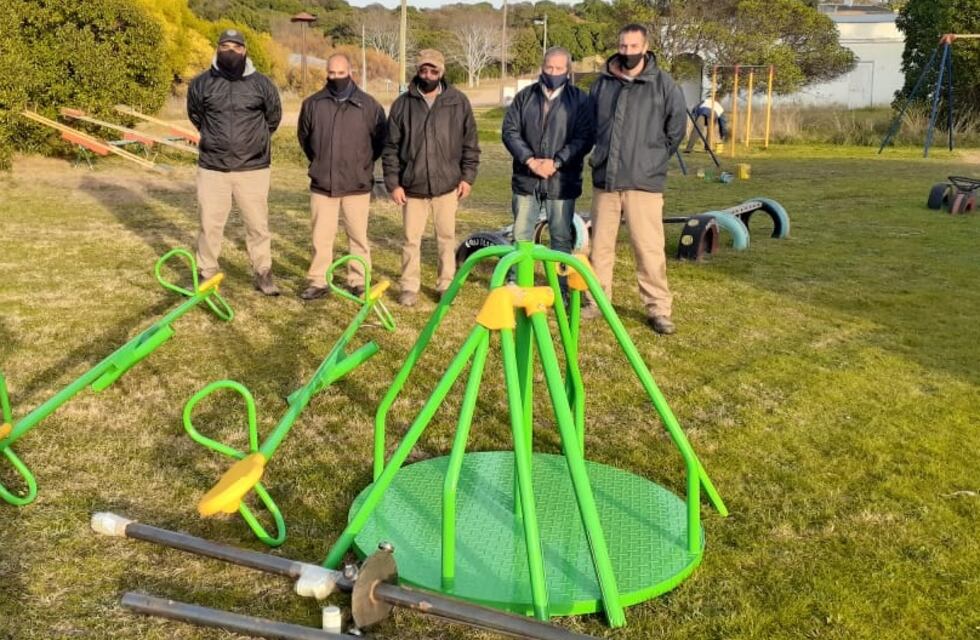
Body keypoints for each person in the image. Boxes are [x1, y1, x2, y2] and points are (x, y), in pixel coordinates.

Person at [585, 23, 687, 334]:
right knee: (599, 248)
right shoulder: (602, 84)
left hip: (644, 182)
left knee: (649, 249)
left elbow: (676, 130)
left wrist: (652, 160)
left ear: (645, 47)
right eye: (623, 46)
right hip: (607, 180)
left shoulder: (664, 85)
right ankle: (596, 301)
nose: (627, 52)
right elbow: (590, 125)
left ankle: (658, 308)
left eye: (633, 46)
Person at [187, 29, 283, 295]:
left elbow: (272, 118)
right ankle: (207, 272)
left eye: (236, 47)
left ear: (245, 51)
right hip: (212, 168)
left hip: (253, 168)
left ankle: (263, 272)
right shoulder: (201, 84)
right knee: (209, 224)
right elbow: (196, 116)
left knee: (257, 226)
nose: (231, 51)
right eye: (225, 46)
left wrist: (254, 142)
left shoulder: (262, 84)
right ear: (217, 48)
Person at [382, 49, 480, 307]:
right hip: (412, 188)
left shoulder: (458, 102)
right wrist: (393, 184)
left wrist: (467, 177)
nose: (428, 75)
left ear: (442, 71)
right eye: (424, 70)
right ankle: (409, 286)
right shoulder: (402, 104)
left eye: (433, 71)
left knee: (446, 237)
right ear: (418, 70)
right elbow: (390, 148)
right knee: (410, 240)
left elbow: (470, 143)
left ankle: (446, 284)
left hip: (447, 187)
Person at [502, 47, 594, 291]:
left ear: (568, 71)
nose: (553, 73)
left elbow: (584, 138)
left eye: (559, 69)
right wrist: (530, 160)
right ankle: (517, 280)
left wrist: (556, 162)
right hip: (527, 177)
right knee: (521, 232)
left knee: (561, 236)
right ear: (542, 68)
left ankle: (560, 286)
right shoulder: (524, 97)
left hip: (562, 180)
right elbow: (510, 132)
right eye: (549, 68)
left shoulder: (580, 100)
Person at [297, 53, 386, 300]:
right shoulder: (312, 104)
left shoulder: (370, 106)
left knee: (358, 237)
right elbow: (305, 139)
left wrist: (361, 164)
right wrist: (321, 161)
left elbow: (379, 142)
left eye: (340, 73)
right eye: (331, 73)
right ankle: (318, 280)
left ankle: (358, 279)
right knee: (321, 238)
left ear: (351, 72)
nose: (335, 78)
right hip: (323, 184)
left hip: (356, 184)